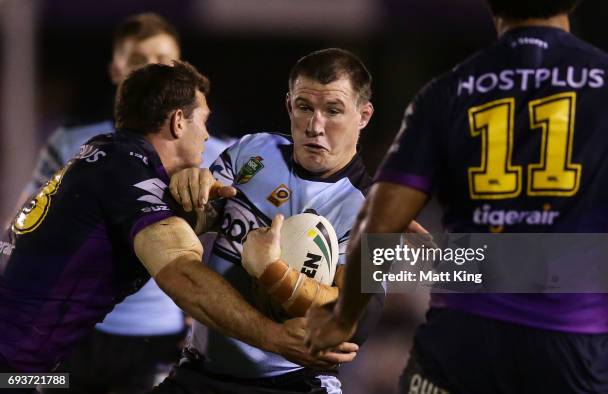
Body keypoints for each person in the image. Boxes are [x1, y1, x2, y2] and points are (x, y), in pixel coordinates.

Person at [305, 1, 608, 393]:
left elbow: (379, 224)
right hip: (575, 344)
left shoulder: (448, 91)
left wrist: (343, 317)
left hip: (462, 344)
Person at [0, 62, 354, 391]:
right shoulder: (129, 175)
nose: (206, 135)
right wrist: (276, 338)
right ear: (178, 122)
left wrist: (396, 244)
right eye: (203, 121)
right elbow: (184, 278)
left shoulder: (108, 155)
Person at [153, 48, 390, 394]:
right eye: (304, 107)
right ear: (288, 106)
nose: (315, 126)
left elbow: (356, 320)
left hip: (293, 383)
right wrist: (189, 191)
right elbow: (197, 219)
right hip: (200, 373)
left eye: (333, 111)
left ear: (364, 115)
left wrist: (273, 272)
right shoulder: (254, 151)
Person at [21, 13, 232, 393]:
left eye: (165, 61)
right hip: (77, 337)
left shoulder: (217, 155)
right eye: (139, 61)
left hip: (159, 337)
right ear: (117, 70)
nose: (153, 70)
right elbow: (27, 229)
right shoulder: (76, 146)